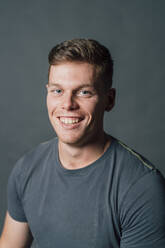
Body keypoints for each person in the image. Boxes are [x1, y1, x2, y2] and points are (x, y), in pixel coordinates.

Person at [0, 39, 165, 248]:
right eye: (57, 91)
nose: (67, 104)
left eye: (84, 92)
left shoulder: (142, 187)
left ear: (109, 99)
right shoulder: (26, 169)